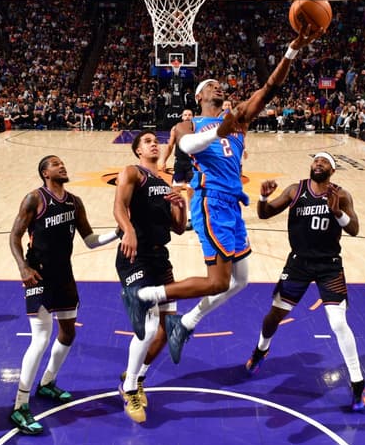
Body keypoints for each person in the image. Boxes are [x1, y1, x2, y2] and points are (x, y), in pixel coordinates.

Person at [125, 24, 320, 365]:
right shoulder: (189, 124)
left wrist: (292, 50)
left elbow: (270, 87)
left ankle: (185, 322)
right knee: (218, 282)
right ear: (199, 96)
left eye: (219, 86)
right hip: (210, 202)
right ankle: (146, 295)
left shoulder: (238, 119)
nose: (218, 87)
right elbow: (186, 145)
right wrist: (219, 131)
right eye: (211, 86)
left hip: (233, 204)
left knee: (241, 280)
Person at [244, 153, 365, 411]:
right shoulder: (295, 190)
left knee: (338, 323)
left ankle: (358, 383)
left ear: (332, 170)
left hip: (329, 265)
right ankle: (261, 350)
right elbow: (265, 214)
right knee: (273, 316)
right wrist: (264, 196)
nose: (318, 164)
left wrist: (338, 213)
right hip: (298, 263)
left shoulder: (341, 195)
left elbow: (354, 229)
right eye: (316, 161)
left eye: (324, 162)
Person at [8, 155, 119, 435]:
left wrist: (119, 231)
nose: (62, 166)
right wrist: (23, 267)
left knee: (68, 333)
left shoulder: (74, 202)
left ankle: (47, 383)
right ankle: (20, 405)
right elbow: (14, 235)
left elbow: (90, 240)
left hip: (64, 275)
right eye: (56, 164)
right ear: (45, 172)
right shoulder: (34, 198)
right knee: (41, 338)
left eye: (63, 163)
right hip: (39, 273)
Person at [114, 131, 186, 423]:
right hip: (135, 256)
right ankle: (129, 388)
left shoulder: (164, 182)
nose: (153, 143)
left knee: (169, 325)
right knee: (148, 323)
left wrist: (180, 205)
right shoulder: (133, 173)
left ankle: (137, 375)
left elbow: (179, 228)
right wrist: (128, 230)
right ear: (137, 151)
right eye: (146, 141)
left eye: (155, 140)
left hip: (160, 258)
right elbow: (119, 206)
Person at [157, 108, 195, 229]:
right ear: (182, 117)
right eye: (185, 114)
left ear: (193, 117)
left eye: (190, 114)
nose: (187, 116)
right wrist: (163, 160)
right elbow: (170, 145)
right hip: (179, 163)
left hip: (192, 163)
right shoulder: (175, 128)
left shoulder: (197, 128)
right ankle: (174, 217)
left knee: (190, 191)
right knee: (175, 190)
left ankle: (190, 218)